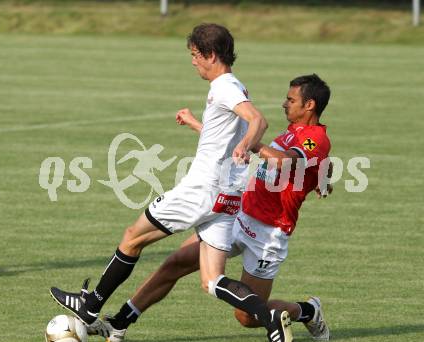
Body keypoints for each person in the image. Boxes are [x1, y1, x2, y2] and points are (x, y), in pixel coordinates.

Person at [50, 23, 293, 342]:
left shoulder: (224, 86)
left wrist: (245, 143)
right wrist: (198, 124)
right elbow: (222, 134)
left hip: (200, 190)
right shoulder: (235, 86)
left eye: (195, 55)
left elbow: (258, 119)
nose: (193, 61)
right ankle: (271, 319)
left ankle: (90, 305)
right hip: (227, 198)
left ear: (211, 54)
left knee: (132, 237)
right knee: (212, 280)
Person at [89, 74, 333, 341]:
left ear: (309, 105)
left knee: (247, 317)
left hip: (269, 233)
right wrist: (197, 124)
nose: (284, 104)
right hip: (238, 216)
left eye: (290, 99)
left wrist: (254, 143)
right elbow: (316, 163)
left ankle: (308, 311)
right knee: (176, 262)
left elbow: (285, 162)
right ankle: (121, 321)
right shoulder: (292, 132)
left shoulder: (314, 138)